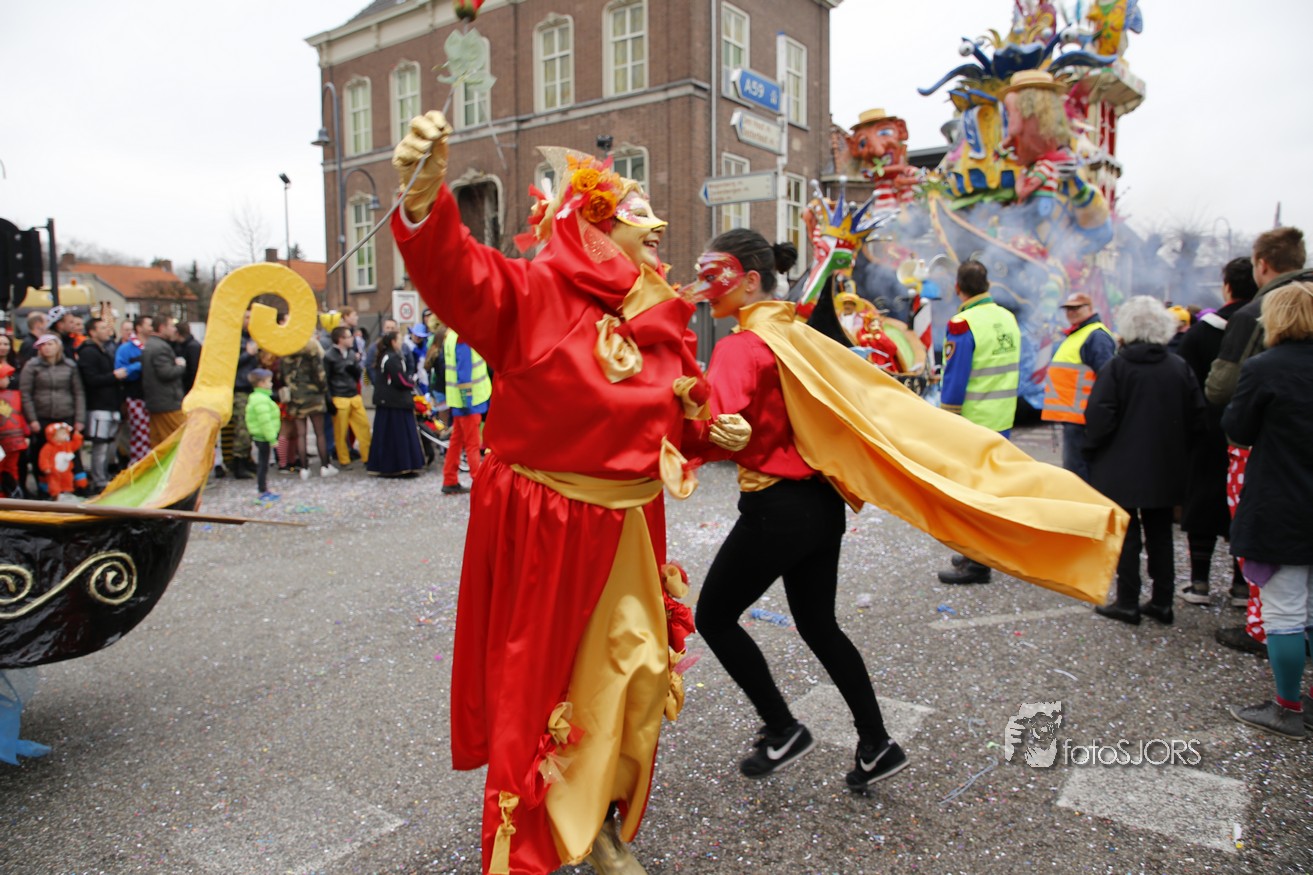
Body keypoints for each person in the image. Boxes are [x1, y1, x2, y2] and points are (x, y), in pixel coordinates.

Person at [392, 111, 710, 875]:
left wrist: (709, 426)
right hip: (548, 525)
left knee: (638, 674)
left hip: (631, 527)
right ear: (595, 227)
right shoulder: (534, 294)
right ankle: (531, 843)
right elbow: (456, 271)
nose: (657, 227)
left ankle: (601, 817)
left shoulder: (661, 315)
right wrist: (423, 198)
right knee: (544, 690)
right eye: (637, 214)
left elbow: (680, 422)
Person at [683, 230, 908, 789]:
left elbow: (713, 426)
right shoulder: (797, 333)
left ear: (749, 280)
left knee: (713, 617)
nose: (705, 289)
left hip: (779, 507)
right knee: (819, 624)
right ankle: (876, 744)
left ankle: (783, 728)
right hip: (821, 503)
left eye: (713, 277)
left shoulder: (742, 345)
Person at [1205, 227, 1313, 656]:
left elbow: (1226, 402)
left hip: (1276, 475)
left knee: (1281, 600)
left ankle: (1265, 638)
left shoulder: (1257, 334)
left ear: (1262, 265)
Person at [1222, 283, 1313, 739]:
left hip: (1282, 503)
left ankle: (1286, 707)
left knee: (1285, 613)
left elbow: (1238, 428)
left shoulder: (1264, 367)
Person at [1085, 297, 1205, 625]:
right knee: (1161, 533)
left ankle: (1127, 601)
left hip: (1119, 465)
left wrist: (1092, 450)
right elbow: (1197, 418)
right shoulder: (1178, 367)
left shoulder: (1117, 368)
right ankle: (1163, 602)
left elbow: (1099, 417)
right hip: (1166, 464)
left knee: (1126, 537)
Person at [1174, 258, 1257, 608]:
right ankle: (1241, 585)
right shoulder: (1263, 325)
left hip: (1206, 431)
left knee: (1203, 502)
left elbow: (1185, 386)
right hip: (1250, 432)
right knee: (1244, 506)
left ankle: (1200, 582)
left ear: (1226, 286)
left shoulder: (1200, 333)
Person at [936, 259, 1021, 585]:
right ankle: (976, 552)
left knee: (971, 495)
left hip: (973, 421)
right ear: (987, 285)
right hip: (1002, 417)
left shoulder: (963, 324)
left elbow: (955, 379)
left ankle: (977, 564)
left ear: (958, 288)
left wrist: (946, 420)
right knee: (989, 490)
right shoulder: (1007, 318)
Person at [1041, 291, 1117, 480]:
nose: (1071, 312)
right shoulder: (1080, 334)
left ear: (1090, 308)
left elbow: (1106, 378)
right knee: (1076, 470)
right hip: (1074, 417)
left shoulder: (1095, 336)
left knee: (1078, 473)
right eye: (1068, 309)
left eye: (1076, 308)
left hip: (1083, 419)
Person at [19, 333, 85, 499]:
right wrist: (32, 419)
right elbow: (26, 394)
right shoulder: (32, 366)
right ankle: (44, 488)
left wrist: (79, 419)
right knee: (42, 454)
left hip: (65, 414)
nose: (47, 348)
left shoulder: (69, 365)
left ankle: (73, 485)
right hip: (42, 416)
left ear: (58, 346)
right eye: (43, 345)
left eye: (50, 344)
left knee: (69, 451)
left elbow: (78, 392)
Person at [77, 316, 127, 492]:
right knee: (100, 444)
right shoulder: (89, 352)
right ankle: (99, 479)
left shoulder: (104, 350)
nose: (108, 331)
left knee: (109, 444)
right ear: (92, 332)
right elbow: (91, 379)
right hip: (99, 405)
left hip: (111, 403)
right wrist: (113, 376)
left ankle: (104, 474)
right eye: (103, 328)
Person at [366, 331, 426, 478]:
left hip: (390, 401)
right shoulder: (392, 358)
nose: (401, 342)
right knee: (399, 436)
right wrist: (412, 382)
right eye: (399, 339)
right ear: (393, 342)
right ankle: (401, 466)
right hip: (395, 402)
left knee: (388, 436)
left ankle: (393, 466)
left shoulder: (388, 356)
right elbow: (400, 379)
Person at [440, 328, 488, 495]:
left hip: (459, 400)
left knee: (456, 443)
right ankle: (479, 483)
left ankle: (449, 479)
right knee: (472, 444)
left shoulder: (452, 335)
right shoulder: (463, 337)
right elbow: (464, 374)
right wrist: (466, 400)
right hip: (469, 401)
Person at [280, 337, 336, 479]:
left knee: (301, 434)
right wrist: (324, 391)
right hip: (314, 397)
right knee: (320, 433)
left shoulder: (286, 357)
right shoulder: (312, 355)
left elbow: (282, 377)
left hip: (296, 398)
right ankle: (325, 466)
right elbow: (321, 377)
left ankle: (304, 468)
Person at [324, 325, 371, 468]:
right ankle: (344, 459)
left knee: (364, 427)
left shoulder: (351, 354)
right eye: (349, 336)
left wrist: (355, 368)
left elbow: (359, 375)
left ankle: (368, 457)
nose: (352, 339)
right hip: (339, 396)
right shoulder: (329, 356)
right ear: (340, 339)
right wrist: (329, 399)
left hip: (353, 395)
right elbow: (326, 379)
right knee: (340, 431)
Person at [141, 314, 187, 448]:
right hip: (168, 403)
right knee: (178, 443)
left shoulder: (151, 344)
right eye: (171, 326)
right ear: (161, 328)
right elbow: (166, 373)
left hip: (158, 403)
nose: (175, 329)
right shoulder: (160, 347)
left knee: (160, 445)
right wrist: (181, 366)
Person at [115, 314, 151, 464]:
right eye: (149, 325)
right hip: (136, 397)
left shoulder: (154, 345)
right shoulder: (125, 349)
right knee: (140, 435)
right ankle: (139, 466)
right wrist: (141, 364)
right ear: (140, 328)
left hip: (154, 397)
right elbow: (121, 372)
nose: (152, 327)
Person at [244, 367, 281, 501]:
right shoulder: (261, 400)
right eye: (269, 381)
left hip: (262, 436)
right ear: (261, 383)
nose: (271, 384)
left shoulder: (259, 397)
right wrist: (272, 439)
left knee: (263, 463)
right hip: (263, 437)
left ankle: (263, 488)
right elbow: (265, 421)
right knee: (263, 464)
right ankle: (262, 490)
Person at [0, 363, 30, 497]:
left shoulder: (15, 395)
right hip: (5, 439)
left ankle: (13, 494)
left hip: (14, 439)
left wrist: (26, 434)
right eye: (5, 377)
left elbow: (19, 416)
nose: (8, 380)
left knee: (12, 468)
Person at [173, 320, 202, 393]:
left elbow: (194, 370)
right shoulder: (181, 346)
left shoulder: (192, 347)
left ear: (177, 333)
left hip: (189, 389)